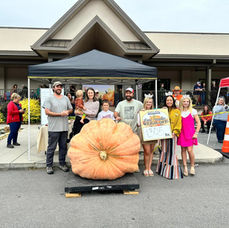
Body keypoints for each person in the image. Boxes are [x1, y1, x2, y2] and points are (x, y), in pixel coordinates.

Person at [43, 81, 73, 174]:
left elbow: (71, 109)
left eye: (60, 86)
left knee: (63, 147)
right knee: (51, 147)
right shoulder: (49, 98)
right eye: (57, 86)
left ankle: (62, 164)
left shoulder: (65, 98)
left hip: (64, 127)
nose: (59, 88)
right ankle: (49, 166)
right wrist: (60, 114)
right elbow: (47, 112)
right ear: (53, 88)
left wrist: (68, 112)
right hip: (54, 128)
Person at [156, 94, 183, 179]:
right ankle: (162, 170)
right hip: (163, 135)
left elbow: (179, 123)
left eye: (170, 100)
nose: (169, 102)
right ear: (165, 101)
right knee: (164, 151)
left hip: (172, 135)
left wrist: (175, 132)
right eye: (167, 100)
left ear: (173, 101)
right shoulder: (162, 111)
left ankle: (170, 173)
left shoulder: (177, 111)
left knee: (171, 152)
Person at [177, 95, 201, 176]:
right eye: (184, 101)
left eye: (187, 101)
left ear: (189, 102)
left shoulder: (193, 111)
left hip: (190, 134)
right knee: (183, 150)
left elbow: (198, 123)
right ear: (181, 102)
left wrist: (196, 133)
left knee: (190, 150)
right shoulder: (179, 111)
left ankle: (192, 166)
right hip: (182, 133)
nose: (186, 103)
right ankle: (185, 167)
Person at [138, 95, 156, 177]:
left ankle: (149, 168)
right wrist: (141, 115)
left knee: (151, 150)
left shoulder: (155, 112)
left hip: (153, 133)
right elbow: (138, 124)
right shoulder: (141, 112)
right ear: (145, 103)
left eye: (150, 102)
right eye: (147, 102)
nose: (149, 103)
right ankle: (146, 168)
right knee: (147, 151)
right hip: (145, 133)